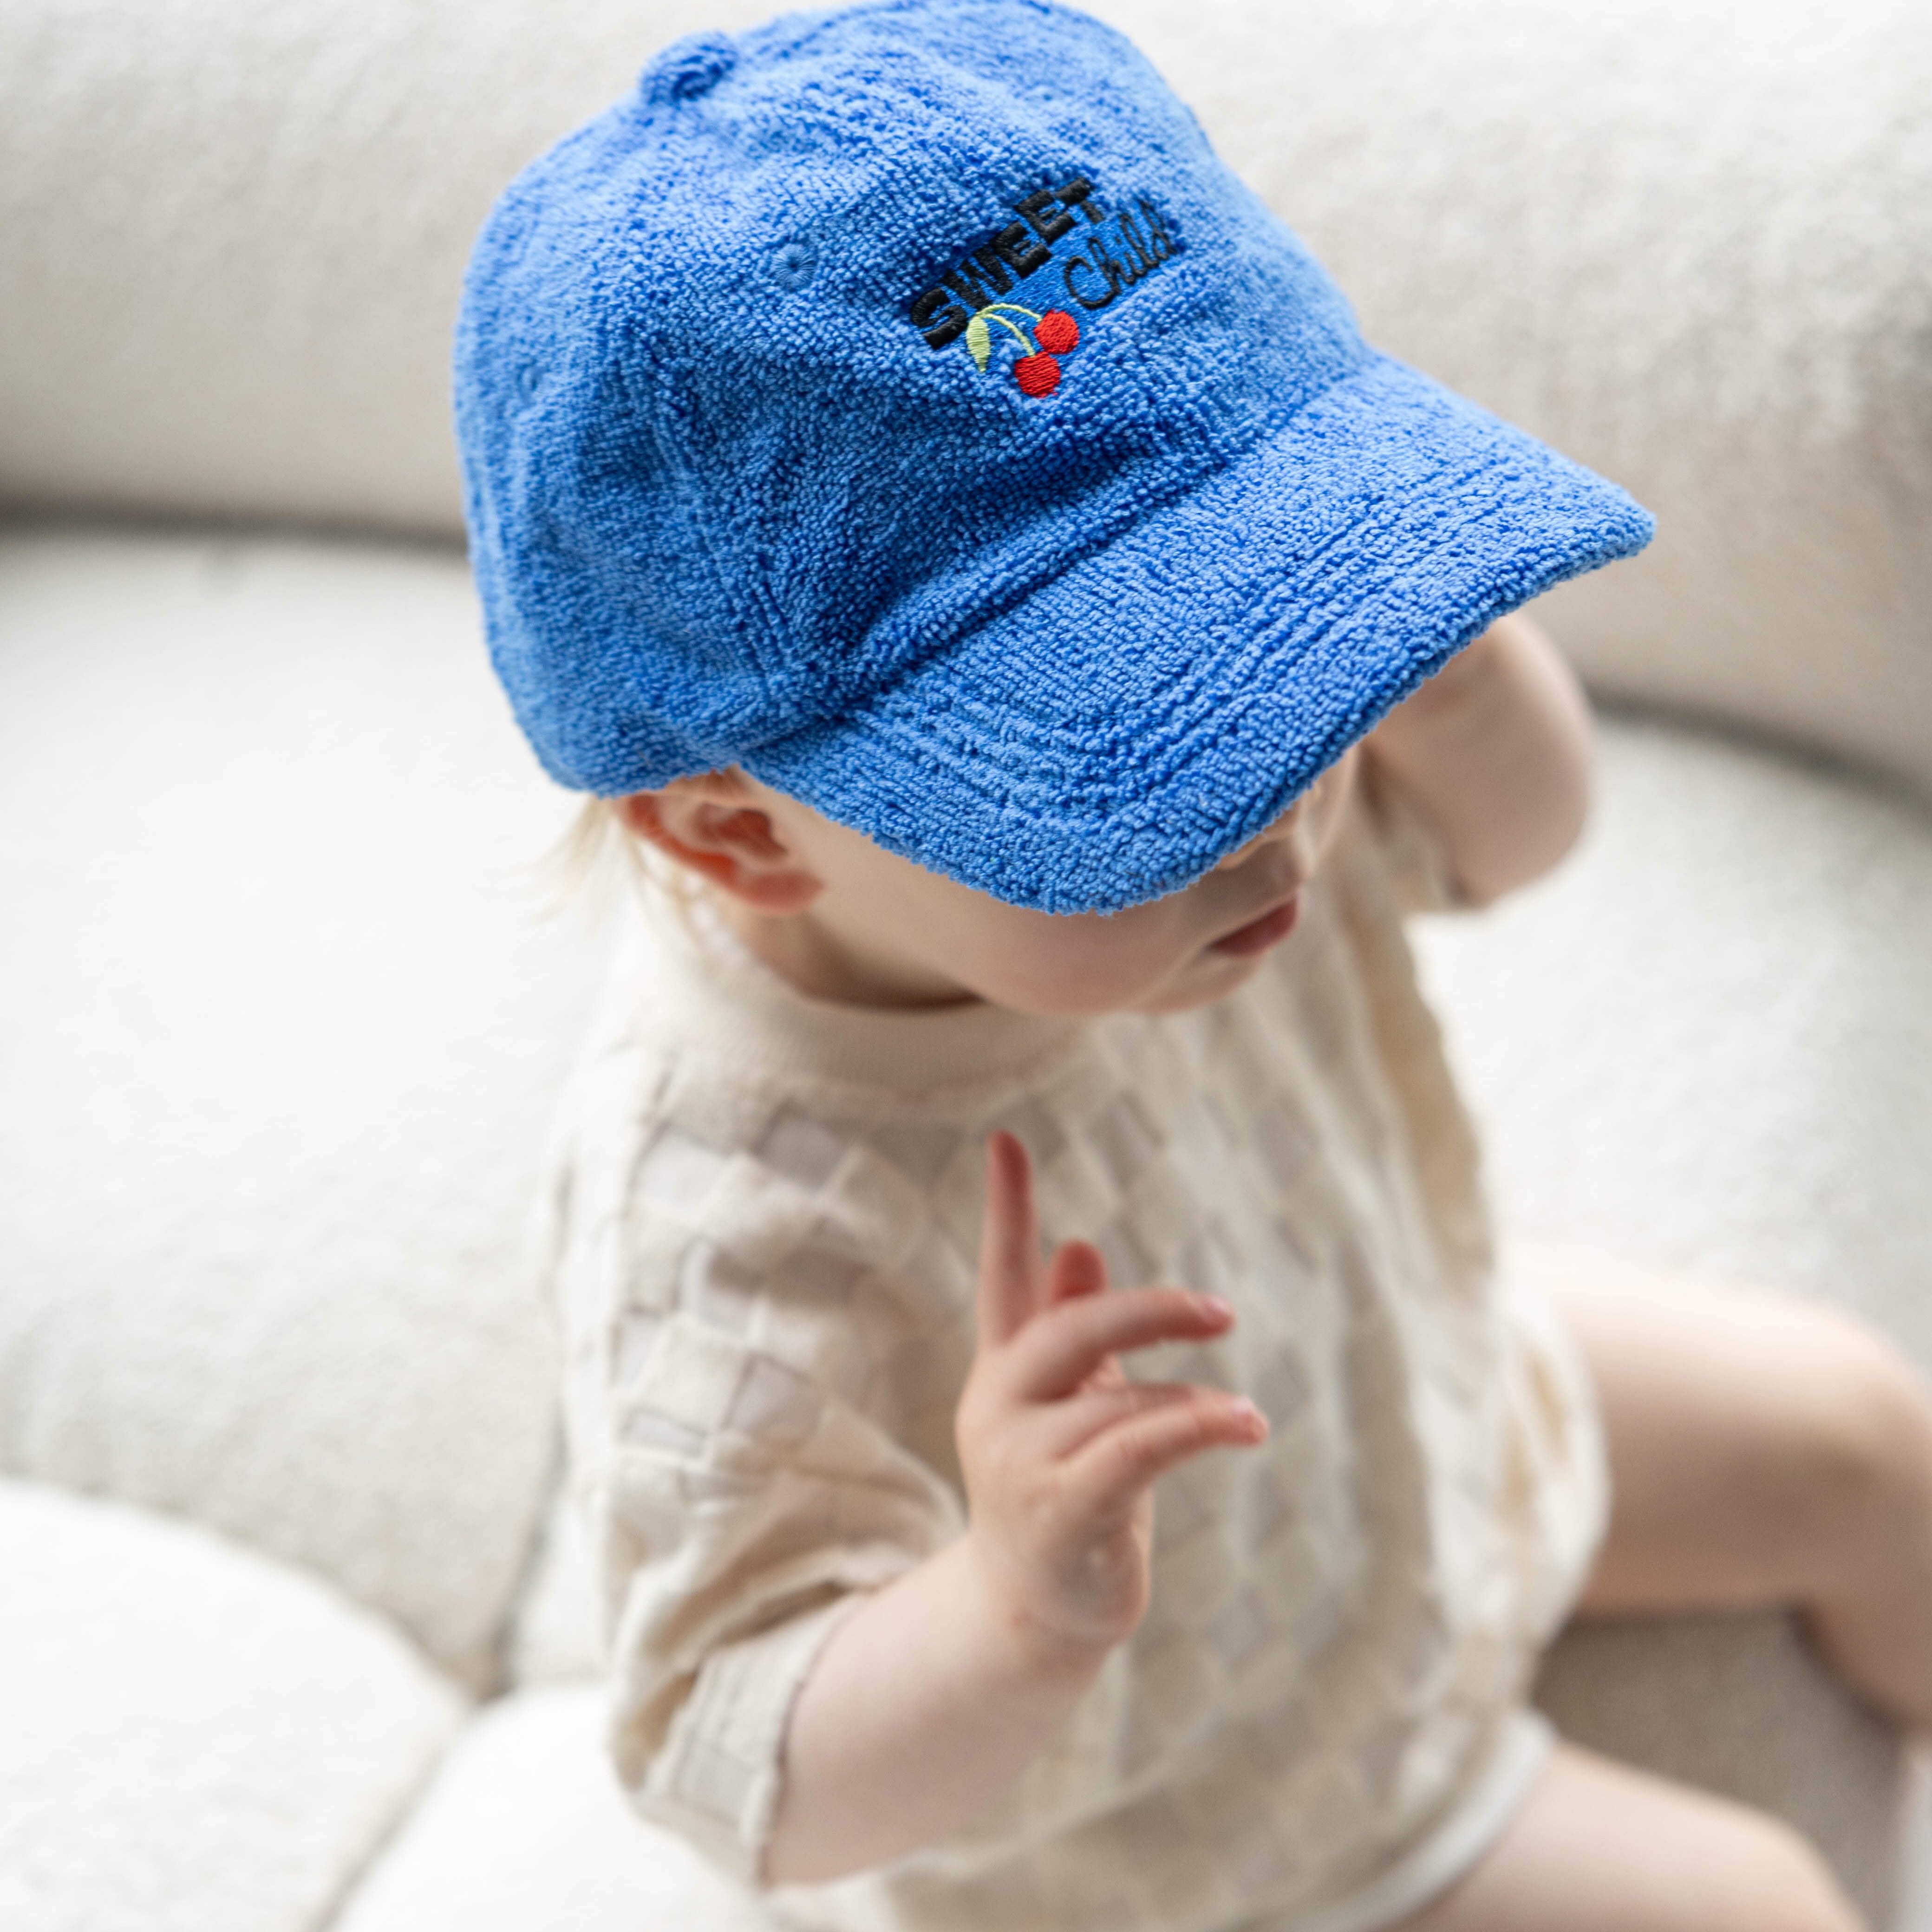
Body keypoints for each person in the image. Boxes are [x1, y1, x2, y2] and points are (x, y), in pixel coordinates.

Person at [452, 3, 1932, 1927]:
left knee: (1863, 1434)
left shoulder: (1241, 825)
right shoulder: (731, 1201)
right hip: (1215, 1784)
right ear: (734, 826)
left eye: (1285, 652)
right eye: (1140, 754)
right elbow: (742, 1766)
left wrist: (1433, 655)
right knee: (1759, 1898)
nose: (1289, 803)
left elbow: (1514, 839)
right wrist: (1003, 1601)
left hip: (1410, 1365)